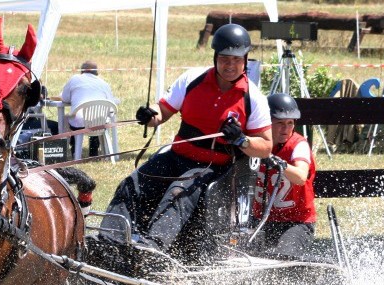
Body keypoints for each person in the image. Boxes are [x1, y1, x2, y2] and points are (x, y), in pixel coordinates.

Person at [99, 24, 273, 253]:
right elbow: (162, 111)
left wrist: (242, 140)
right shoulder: (193, 79)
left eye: (236, 60)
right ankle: (108, 242)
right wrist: (150, 115)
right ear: (215, 57)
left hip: (214, 168)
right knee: (133, 182)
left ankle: (153, 250)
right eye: (224, 59)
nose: (230, 65)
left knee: (178, 192)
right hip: (176, 156)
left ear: (245, 60)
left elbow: (266, 147)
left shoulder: (254, 98)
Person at [253, 92, 317, 259]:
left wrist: (279, 163)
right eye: (280, 123)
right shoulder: (256, 143)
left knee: (284, 259)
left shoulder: (298, 145)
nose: (286, 129)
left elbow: (301, 176)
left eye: (290, 123)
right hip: (261, 220)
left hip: (296, 222)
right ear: (266, 122)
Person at [61, 60, 121, 157]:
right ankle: (94, 152)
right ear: (96, 72)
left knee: (67, 118)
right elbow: (111, 107)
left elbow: (65, 98)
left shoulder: (74, 79)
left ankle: (72, 150)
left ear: (82, 71)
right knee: (97, 119)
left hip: (79, 123)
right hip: (100, 123)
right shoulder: (104, 84)